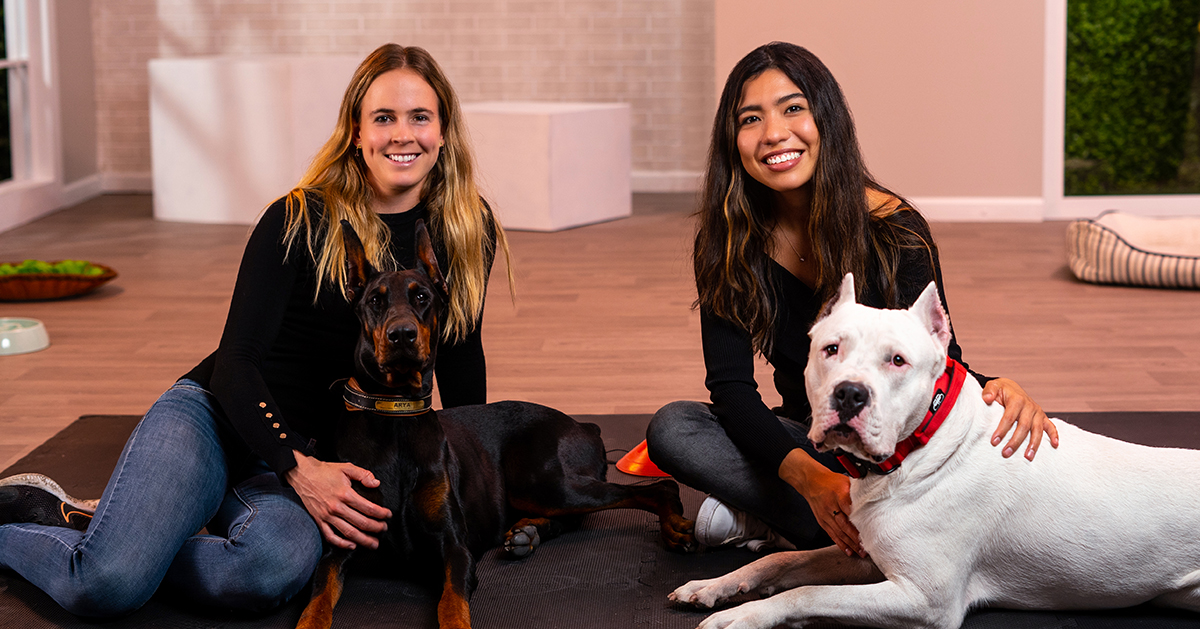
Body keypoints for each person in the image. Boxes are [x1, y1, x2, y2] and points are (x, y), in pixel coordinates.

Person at [0, 43, 508, 617]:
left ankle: (136, 532)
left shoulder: (467, 228)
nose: (402, 135)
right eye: (383, 117)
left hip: (312, 455)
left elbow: (462, 357)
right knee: (106, 582)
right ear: (356, 131)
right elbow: (236, 362)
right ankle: (64, 529)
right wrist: (297, 466)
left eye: (420, 117)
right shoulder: (297, 217)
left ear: (444, 130)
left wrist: (471, 474)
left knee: (272, 567)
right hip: (219, 418)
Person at [646, 42, 1057, 558]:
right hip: (815, 436)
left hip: (892, 443)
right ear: (733, 140)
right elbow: (731, 390)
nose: (773, 133)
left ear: (827, 119)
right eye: (751, 118)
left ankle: (784, 520)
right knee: (674, 428)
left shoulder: (896, 230)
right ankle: (843, 522)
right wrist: (811, 479)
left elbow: (937, 364)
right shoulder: (727, 241)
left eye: (793, 108)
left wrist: (997, 384)